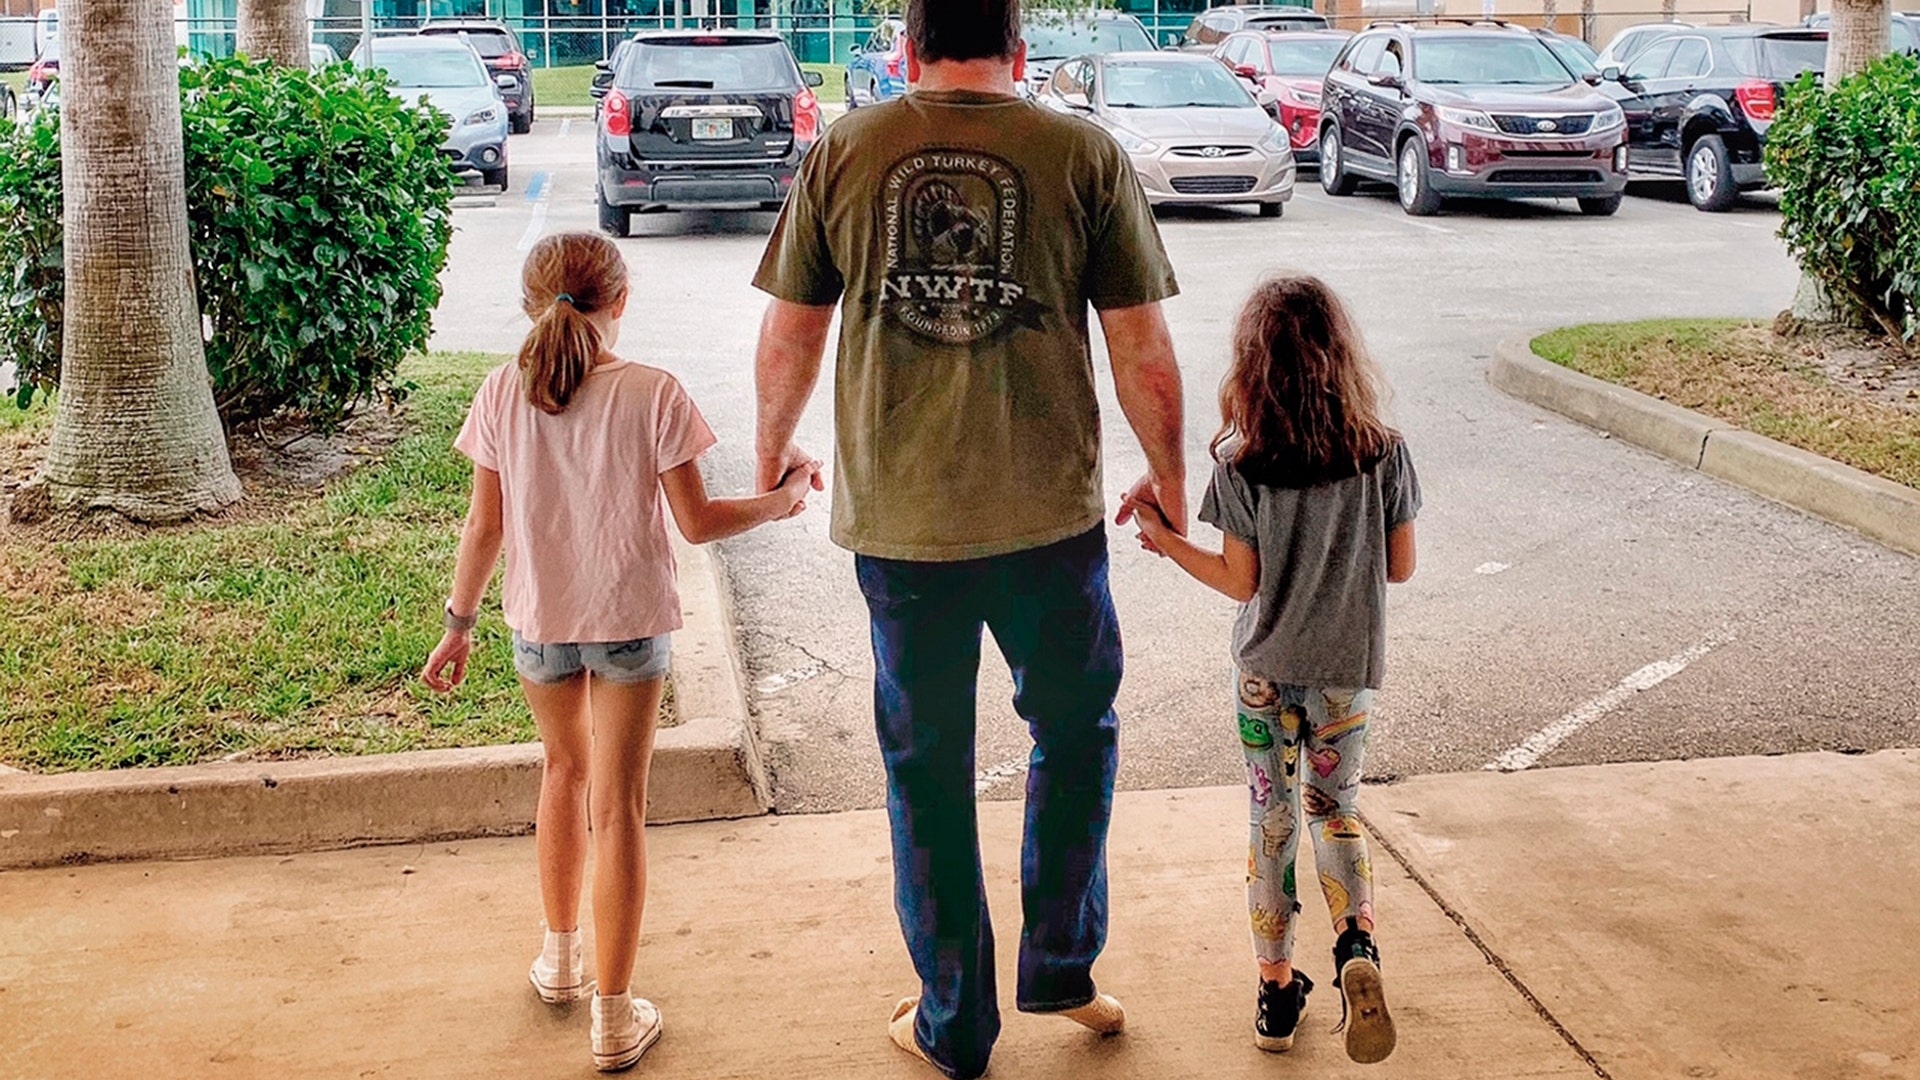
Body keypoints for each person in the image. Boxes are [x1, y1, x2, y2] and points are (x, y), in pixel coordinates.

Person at [749, 1, 1188, 1075]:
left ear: (908, 48)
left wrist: (771, 452)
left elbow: (793, 330)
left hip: (902, 527)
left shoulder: (847, 149)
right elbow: (1140, 344)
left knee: (928, 772)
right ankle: (1060, 965)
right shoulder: (1083, 153)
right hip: (1050, 523)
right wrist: (1173, 477)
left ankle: (955, 1026)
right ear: (1019, 49)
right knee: (1075, 734)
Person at [421, 232, 818, 1073]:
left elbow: (485, 527)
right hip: (630, 625)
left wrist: (458, 623)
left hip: (540, 624)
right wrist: (782, 502)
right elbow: (698, 523)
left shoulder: (500, 392)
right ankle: (612, 1015)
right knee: (619, 807)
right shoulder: (653, 393)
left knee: (563, 773)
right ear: (622, 300)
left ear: (531, 304)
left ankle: (560, 960)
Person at [1126, 275, 1419, 1065]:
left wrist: (1165, 538)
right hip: (1345, 672)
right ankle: (1356, 944)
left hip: (1264, 674)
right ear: (1341, 355)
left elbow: (1238, 581)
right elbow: (1400, 567)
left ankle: (1276, 995)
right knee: (1336, 809)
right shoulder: (1383, 452)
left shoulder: (1242, 461)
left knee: (1272, 821)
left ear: (1252, 364)